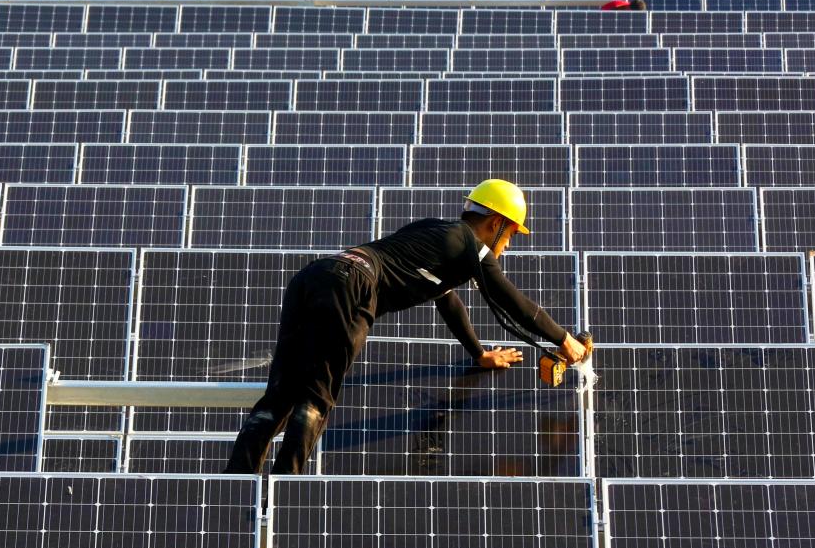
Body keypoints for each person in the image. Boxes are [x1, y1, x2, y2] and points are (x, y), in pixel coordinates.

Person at [223, 180, 587, 475]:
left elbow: (447, 299)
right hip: (355, 286)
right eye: (508, 237)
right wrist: (563, 339)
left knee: (279, 397)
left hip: (315, 275)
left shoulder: (435, 232)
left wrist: (479, 353)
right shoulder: (471, 247)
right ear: (495, 224)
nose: (504, 248)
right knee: (315, 398)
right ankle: (287, 492)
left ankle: (235, 485)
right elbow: (512, 301)